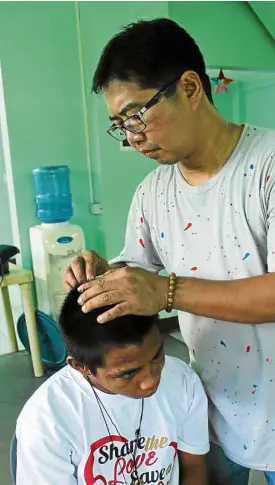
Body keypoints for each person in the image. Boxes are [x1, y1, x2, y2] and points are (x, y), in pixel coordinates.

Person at [63, 18, 275, 485]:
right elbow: (138, 267)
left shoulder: (267, 168)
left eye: (136, 115)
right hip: (212, 405)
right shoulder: (153, 191)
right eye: (120, 126)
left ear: (190, 86)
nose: (132, 137)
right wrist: (107, 272)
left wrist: (167, 291)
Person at [16, 286, 209, 485]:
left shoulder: (183, 380)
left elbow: (193, 466)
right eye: (127, 373)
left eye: (156, 355)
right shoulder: (46, 420)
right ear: (81, 367)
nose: (151, 380)